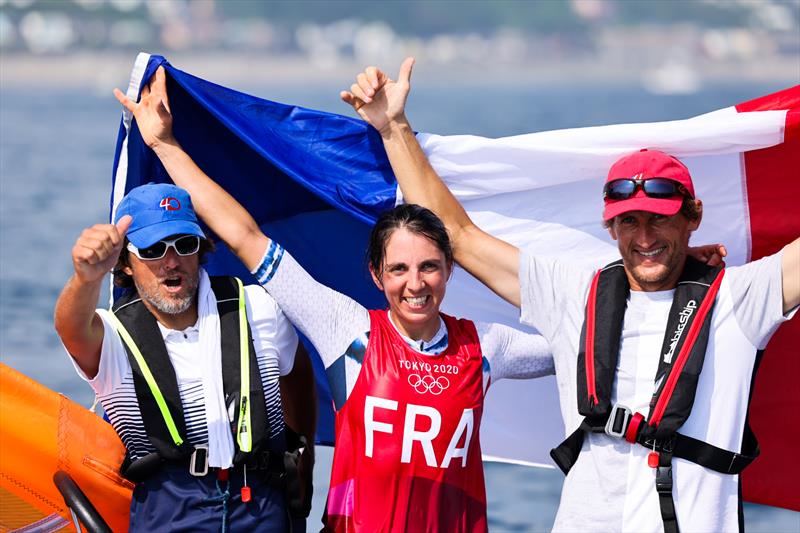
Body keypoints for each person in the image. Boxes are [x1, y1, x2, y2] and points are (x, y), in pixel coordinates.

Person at [340, 58, 800, 532]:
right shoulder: (573, 295)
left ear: (693, 216)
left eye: (660, 217)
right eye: (629, 221)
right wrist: (393, 125)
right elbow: (457, 233)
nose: (644, 236)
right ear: (610, 226)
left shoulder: (740, 299)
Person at [114, 67, 557, 532]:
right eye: (399, 270)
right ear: (376, 276)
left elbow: (584, 342)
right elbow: (245, 236)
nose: (415, 284)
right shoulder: (347, 331)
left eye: (429, 267)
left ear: (450, 269)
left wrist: (636, 283)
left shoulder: (487, 348)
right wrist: (165, 145)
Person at [54, 181, 317, 532]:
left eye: (184, 244)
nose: (171, 261)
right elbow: (70, 328)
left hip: (262, 503)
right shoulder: (112, 337)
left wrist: (305, 452)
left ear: (201, 248)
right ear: (126, 263)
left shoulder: (258, 307)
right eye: (153, 249)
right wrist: (86, 278)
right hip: (170, 507)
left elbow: (297, 371)